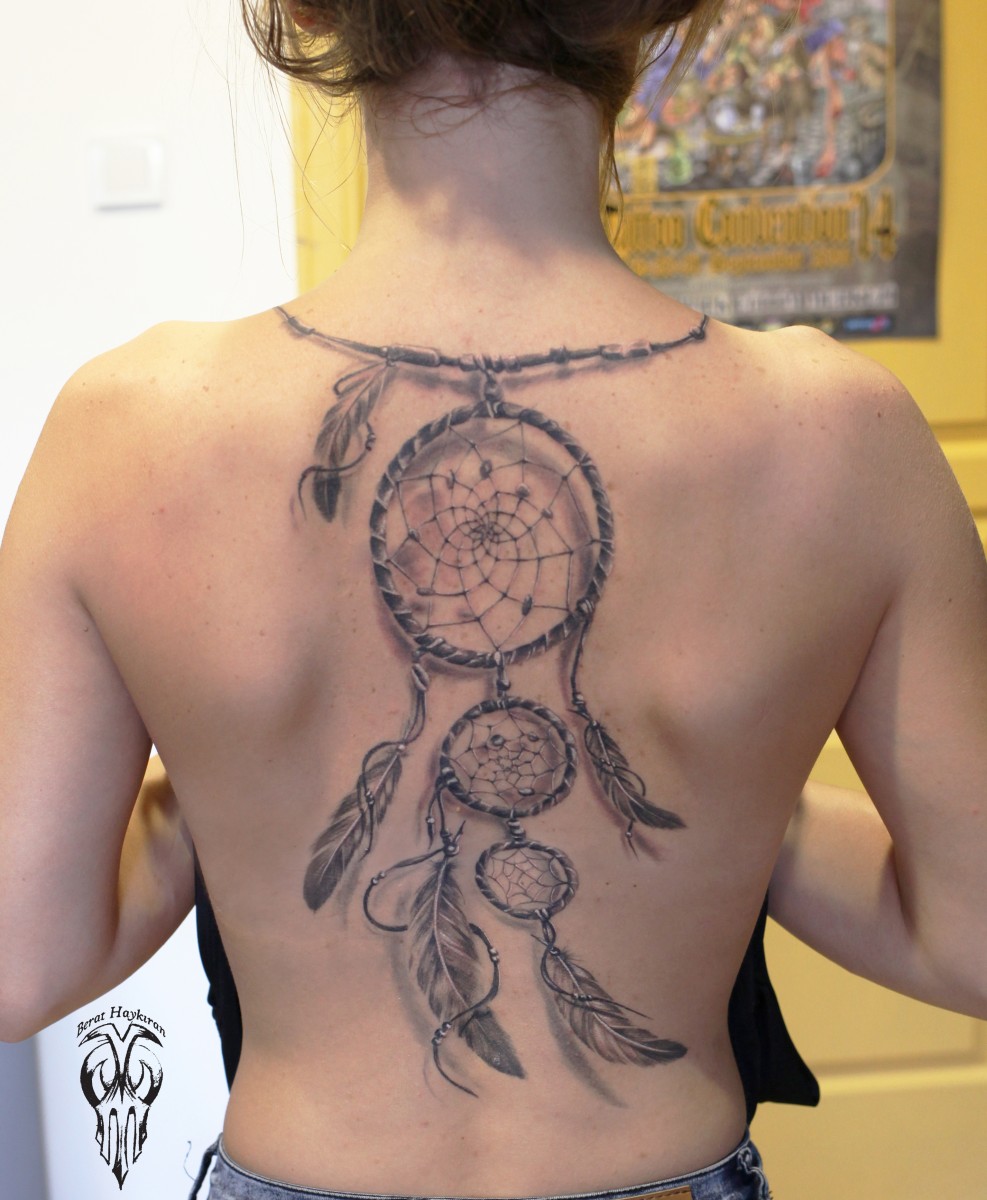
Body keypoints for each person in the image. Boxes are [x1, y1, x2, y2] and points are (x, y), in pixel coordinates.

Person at [1, 2, 985, 1199]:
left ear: (306, 9)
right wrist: (737, 808)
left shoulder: (126, 431)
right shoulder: (845, 437)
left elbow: (20, 964)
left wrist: (218, 788)